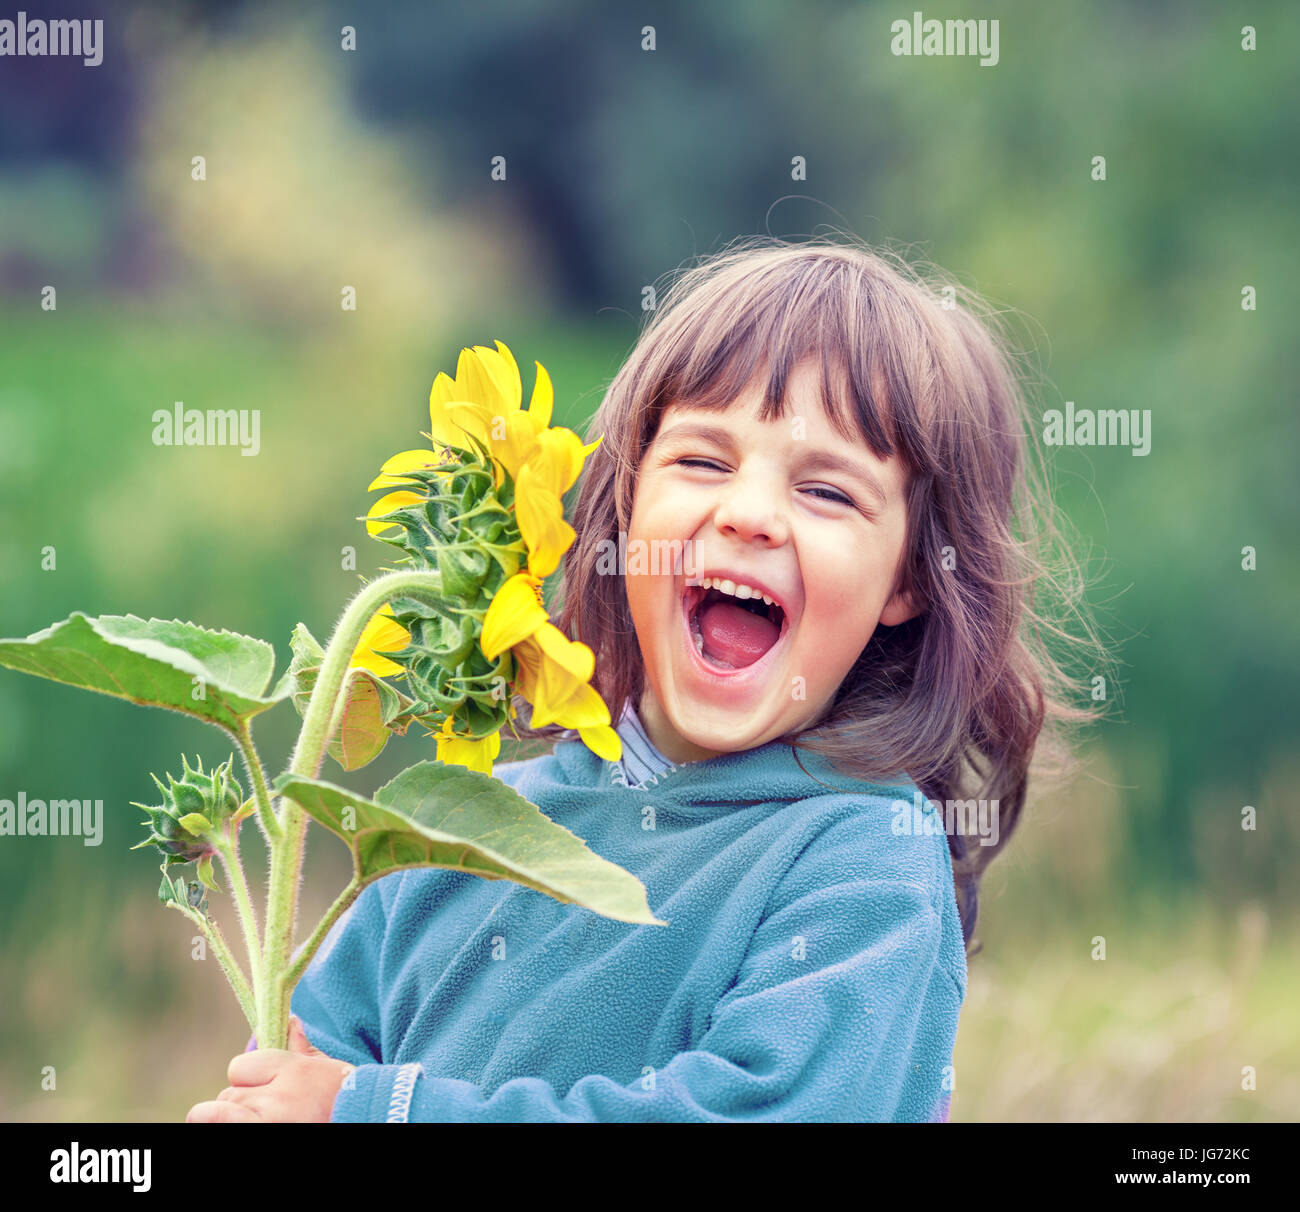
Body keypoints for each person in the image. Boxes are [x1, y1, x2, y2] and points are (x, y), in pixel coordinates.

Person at [187, 235, 1096, 1123]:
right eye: (703, 460)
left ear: (909, 577)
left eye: (827, 492)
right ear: (623, 509)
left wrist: (382, 1111)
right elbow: (311, 1066)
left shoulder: (861, 863)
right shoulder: (449, 831)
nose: (750, 515)